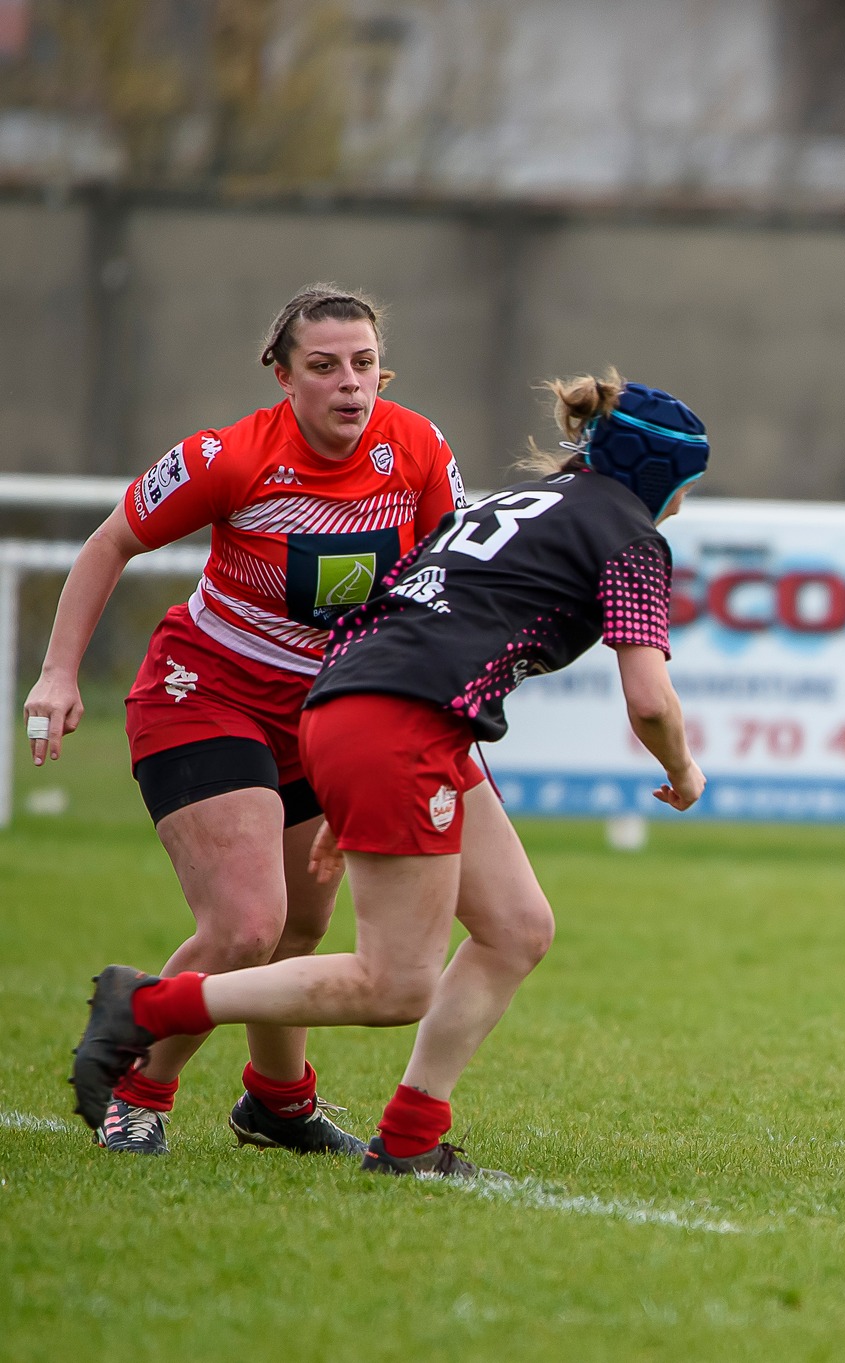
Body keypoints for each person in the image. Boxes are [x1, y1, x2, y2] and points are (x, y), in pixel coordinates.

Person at [67, 372, 709, 1177]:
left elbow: (394, 610)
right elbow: (649, 700)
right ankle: (150, 1006)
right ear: (663, 473)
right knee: (395, 983)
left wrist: (349, 772)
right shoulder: (631, 537)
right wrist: (683, 771)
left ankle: (409, 1140)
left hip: (368, 706)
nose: (685, 501)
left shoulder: (532, 501)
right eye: (688, 482)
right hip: (400, 720)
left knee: (516, 927)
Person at [27, 285, 463, 1156]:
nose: (351, 384)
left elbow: (447, 578)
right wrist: (57, 673)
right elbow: (110, 541)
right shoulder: (229, 456)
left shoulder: (417, 447)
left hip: (329, 717)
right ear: (282, 376)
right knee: (245, 926)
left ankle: (278, 1102)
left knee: (302, 926)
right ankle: (139, 1083)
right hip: (204, 695)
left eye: (365, 364)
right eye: (325, 366)